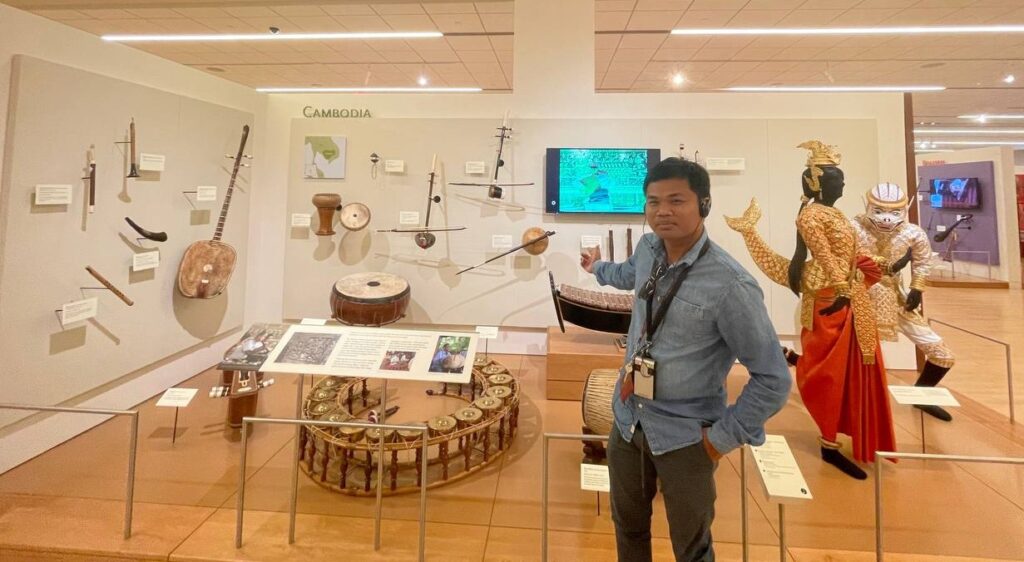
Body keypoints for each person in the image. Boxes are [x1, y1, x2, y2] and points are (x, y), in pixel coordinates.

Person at [580, 157, 792, 562]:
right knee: (627, 529)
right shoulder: (648, 249)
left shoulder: (730, 284)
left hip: (686, 437)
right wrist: (597, 268)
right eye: (653, 201)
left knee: (691, 548)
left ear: (704, 205)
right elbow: (627, 275)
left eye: (676, 200)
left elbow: (772, 378)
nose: (662, 211)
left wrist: (719, 441)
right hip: (628, 421)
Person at [725, 141, 898, 480]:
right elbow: (823, 254)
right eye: (838, 180)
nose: (844, 185)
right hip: (829, 297)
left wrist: (874, 266)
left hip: (845, 294)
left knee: (850, 369)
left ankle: (846, 425)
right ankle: (829, 441)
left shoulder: (832, 214)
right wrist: (843, 287)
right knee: (829, 373)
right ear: (817, 183)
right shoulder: (811, 215)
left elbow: (845, 255)